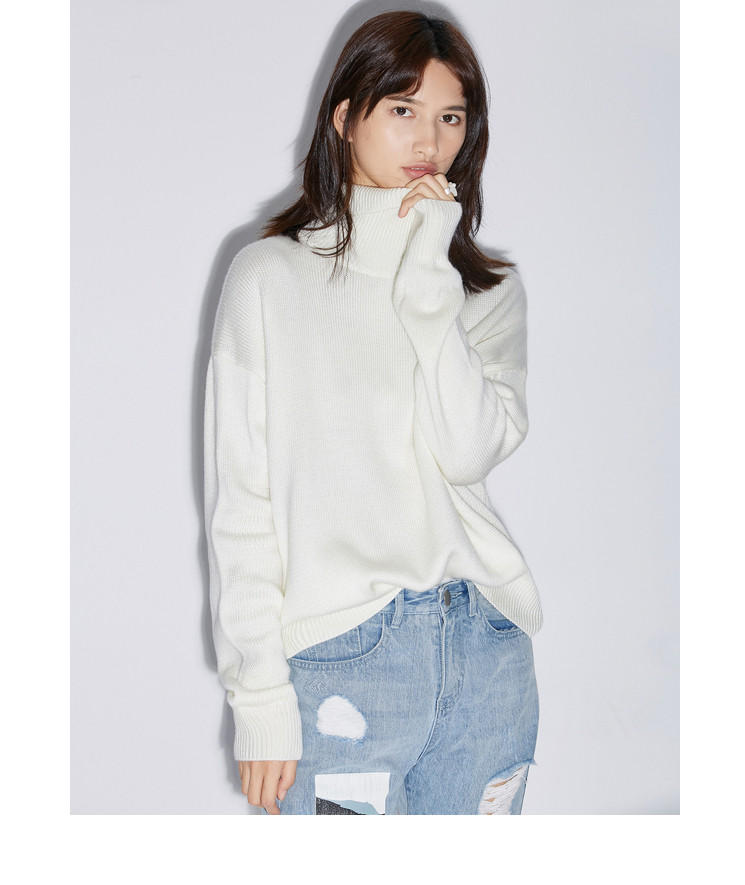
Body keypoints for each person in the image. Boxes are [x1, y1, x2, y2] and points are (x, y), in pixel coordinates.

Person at [204, 9, 542, 816]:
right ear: (345, 118)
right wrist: (259, 696)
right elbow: (243, 503)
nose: (429, 139)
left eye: (451, 117)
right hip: (342, 660)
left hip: (485, 648)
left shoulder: (488, 291)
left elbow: (466, 450)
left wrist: (430, 276)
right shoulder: (270, 279)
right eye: (402, 108)